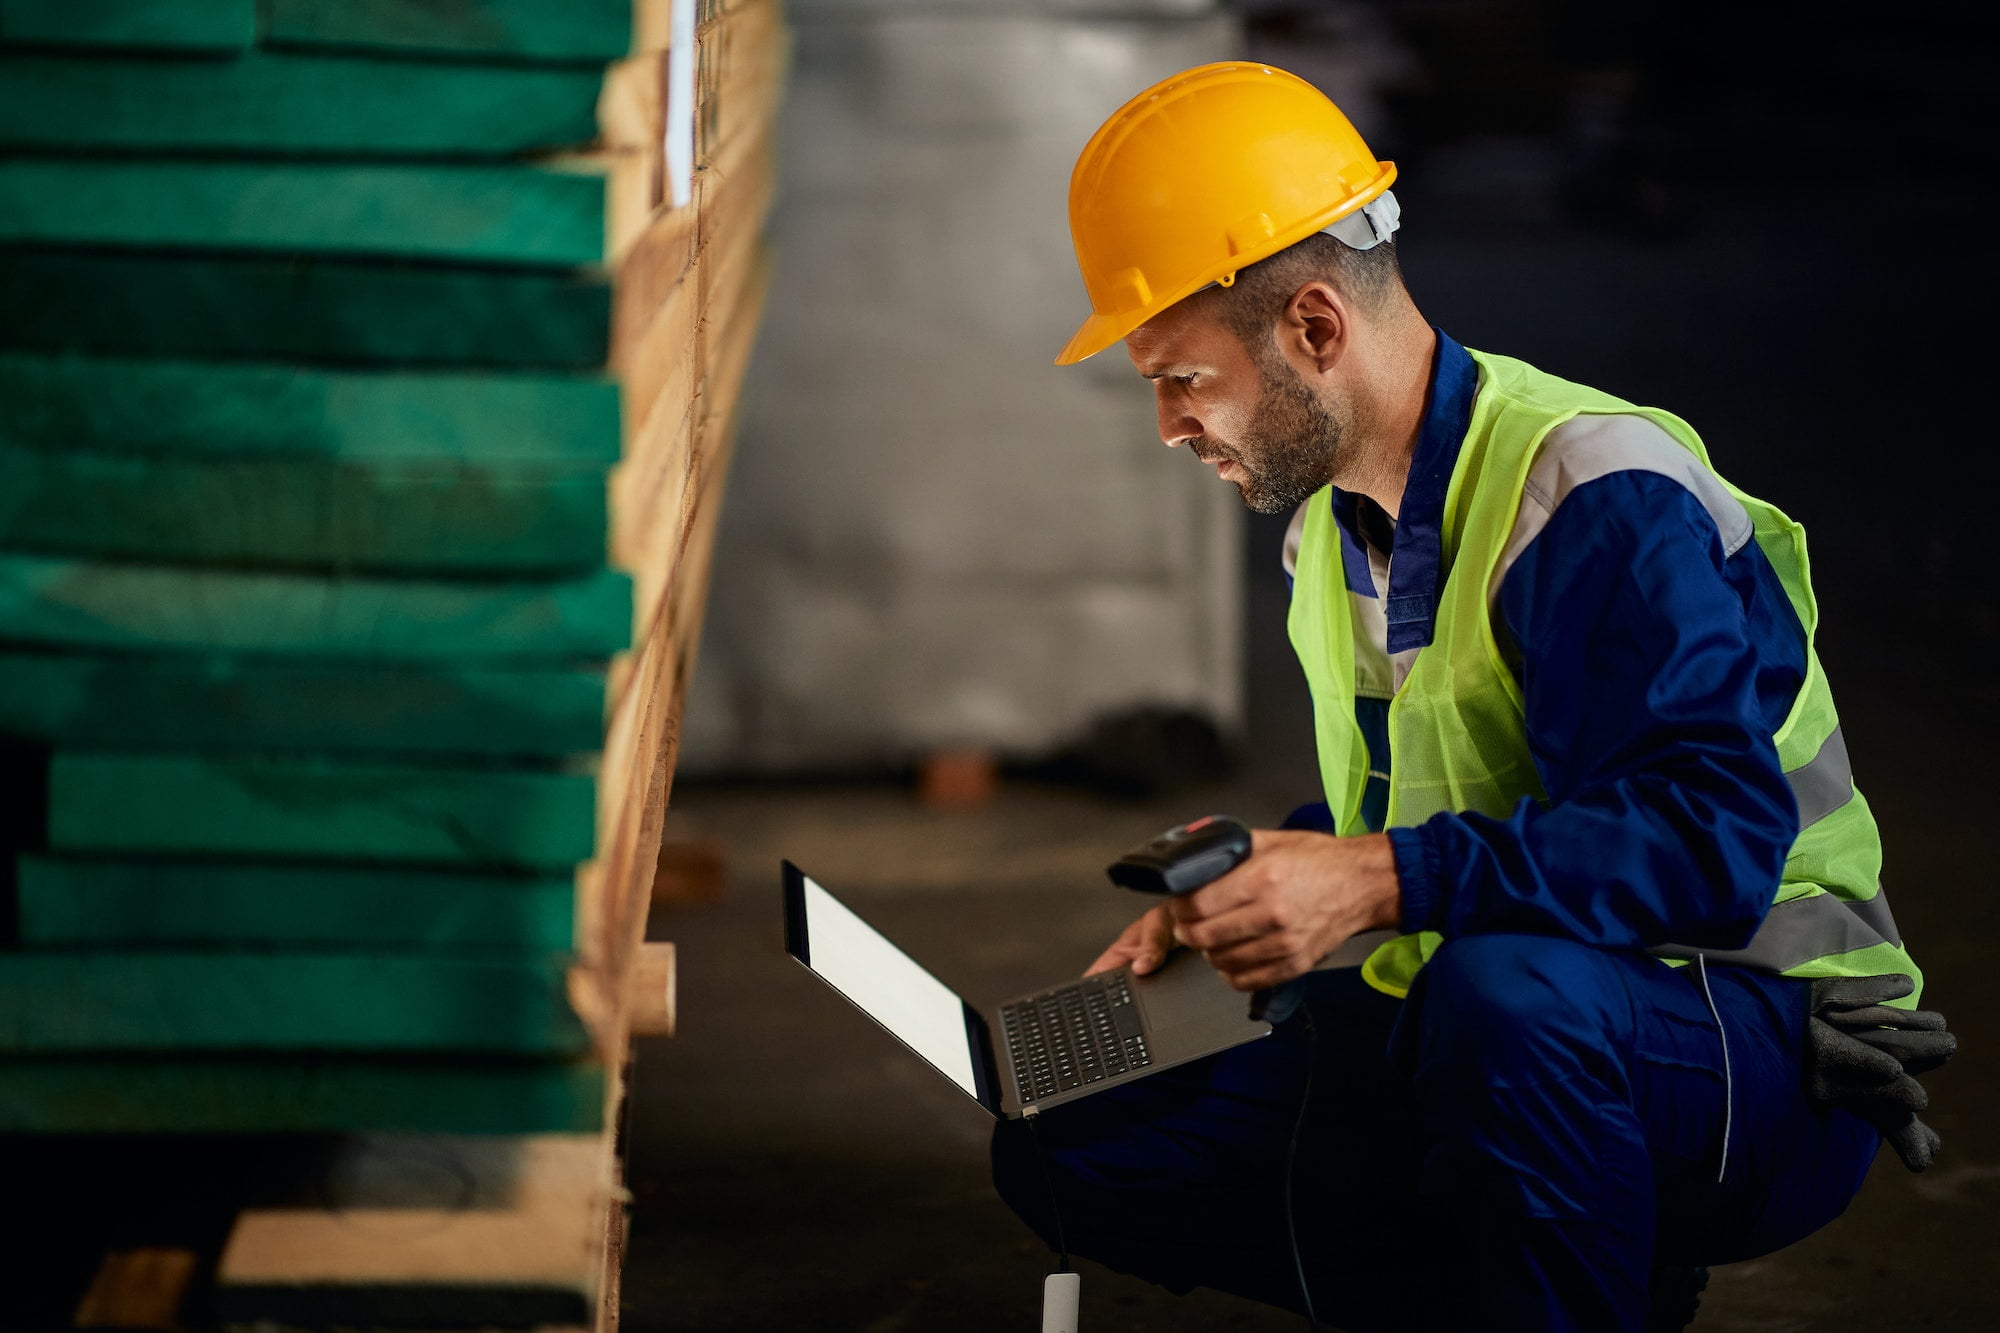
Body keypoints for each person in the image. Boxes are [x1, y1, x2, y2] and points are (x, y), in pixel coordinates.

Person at [990, 63, 1954, 1331]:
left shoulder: (1593, 497)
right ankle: (1558, 1288)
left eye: (1182, 377)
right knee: (1072, 1132)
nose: (1168, 423)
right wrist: (1254, 892)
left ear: (1314, 329)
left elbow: (1709, 847)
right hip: (1504, 1007)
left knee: (1502, 1003)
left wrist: (1370, 882)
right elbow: (1424, 794)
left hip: (1745, 1037)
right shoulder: (1328, 535)